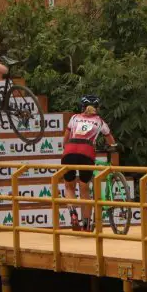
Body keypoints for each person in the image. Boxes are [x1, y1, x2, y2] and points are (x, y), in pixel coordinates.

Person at [61, 95, 117, 232]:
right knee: (85, 190)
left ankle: (73, 212)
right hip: (87, 152)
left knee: (69, 187)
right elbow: (111, 140)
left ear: (82, 107)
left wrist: (66, 150)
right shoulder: (100, 121)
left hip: (69, 151)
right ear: (97, 108)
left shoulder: (74, 118)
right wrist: (114, 146)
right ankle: (86, 225)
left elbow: (65, 139)